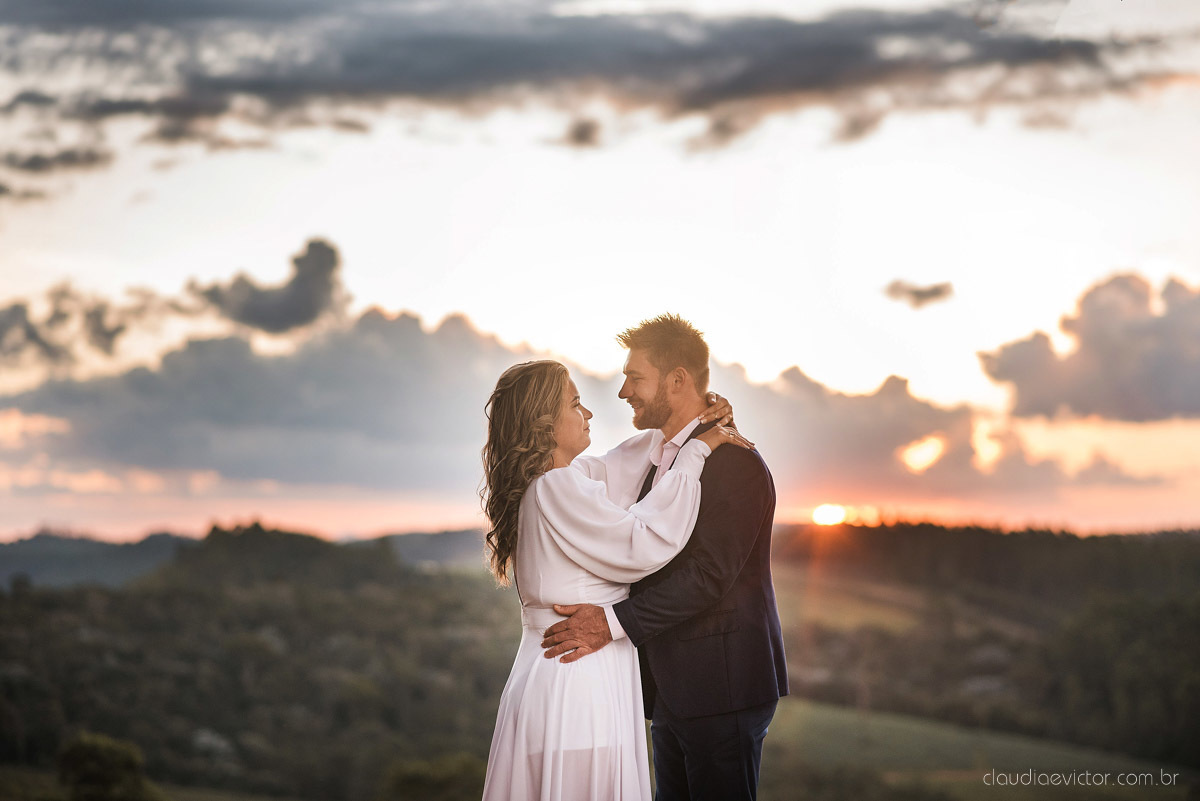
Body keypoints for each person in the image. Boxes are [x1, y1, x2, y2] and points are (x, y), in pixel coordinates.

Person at [540, 314, 789, 801]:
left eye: (635, 377)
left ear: (677, 381)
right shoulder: (658, 455)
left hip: (723, 688)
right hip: (672, 689)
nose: (623, 392)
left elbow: (708, 577)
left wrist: (609, 623)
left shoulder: (734, 461)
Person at [479, 359, 753, 801]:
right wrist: (697, 453)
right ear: (545, 424)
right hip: (576, 685)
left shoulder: (559, 482)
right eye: (576, 403)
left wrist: (690, 422)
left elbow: (624, 463)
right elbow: (642, 543)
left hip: (566, 675)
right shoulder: (556, 487)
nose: (587, 415)